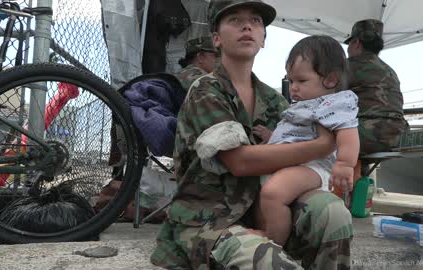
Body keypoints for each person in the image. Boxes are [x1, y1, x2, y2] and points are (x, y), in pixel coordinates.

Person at [150, 0, 353, 269]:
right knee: (268, 262)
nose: (247, 25)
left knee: (333, 213)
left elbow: (296, 157)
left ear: (263, 39)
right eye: (234, 20)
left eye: (255, 21)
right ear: (216, 39)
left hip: (262, 207)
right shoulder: (206, 90)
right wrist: (324, 145)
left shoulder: (275, 100)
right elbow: (239, 162)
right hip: (209, 215)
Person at [255, 35, 359, 246]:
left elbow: (349, 132)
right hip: (295, 163)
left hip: (312, 166)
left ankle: (272, 242)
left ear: (330, 80)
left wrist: (345, 163)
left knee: (273, 194)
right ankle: (269, 230)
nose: (293, 87)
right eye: (290, 80)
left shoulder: (334, 103)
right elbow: (296, 131)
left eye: (301, 81)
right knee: (262, 194)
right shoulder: (305, 103)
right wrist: (271, 136)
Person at [343, 19, 409, 155]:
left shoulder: (347, 66)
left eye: (349, 44)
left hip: (369, 136)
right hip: (400, 135)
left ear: (356, 43)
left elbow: (325, 97)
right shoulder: (389, 70)